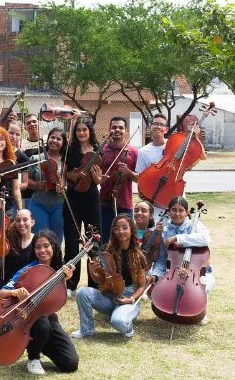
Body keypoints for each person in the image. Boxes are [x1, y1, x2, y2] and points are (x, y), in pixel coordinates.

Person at [0, 230, 79, 375]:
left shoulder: (59, 271)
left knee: (70, 363)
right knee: (42, 324)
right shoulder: (28, 270)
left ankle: (40, 343)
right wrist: (15, 292)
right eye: (38, 247)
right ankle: (33, 358)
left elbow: (57, 302)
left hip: (50, 318)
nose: (42, 250)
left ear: (54, 246)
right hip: (30, 320)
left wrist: (64, 281)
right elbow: (1, 293)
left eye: (46, 246)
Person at [71, 214, 147, 340]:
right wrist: (91, 268)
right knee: (82, 292)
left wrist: (131, 300)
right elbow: (98, 279)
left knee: (118, 322)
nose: (120, 231)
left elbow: (141, 285)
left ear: (131, 230)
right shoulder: (106, 250)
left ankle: (125, 321)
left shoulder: (138, 255)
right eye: (117, 228)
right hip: (108, 296)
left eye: (124, 227)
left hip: (127, 296)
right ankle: (87, 330)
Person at [150, 196, 214, 324]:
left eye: (181, 210)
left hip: (196, 269)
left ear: (186, 212)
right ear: (169, 211)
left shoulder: (195, 226)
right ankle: (171, 308)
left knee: (204, 284)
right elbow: (162, 259)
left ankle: (198, 311)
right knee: (161, 286)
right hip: (173, 269)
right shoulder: (165, 230)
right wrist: (156, 274)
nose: (177, 213)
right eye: (174, 210)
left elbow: (205, 239)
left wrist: (177, 238)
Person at [130, 114, 206, 222]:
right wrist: (130, 174)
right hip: (156, 194)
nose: (158, 127)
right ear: (150, 127)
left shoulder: (176, 142)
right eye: (155, 123)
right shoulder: (143, 151)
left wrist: (196, 137)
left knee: (180, 228)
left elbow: (202, 156)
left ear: (166, 129)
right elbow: (141, 177)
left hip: (176, 188)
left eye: (162, 125)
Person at [63, 118, 103, 295]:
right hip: (72, 197)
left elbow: (99, 179)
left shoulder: (97, 150)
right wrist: (63, 184)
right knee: (71, 240)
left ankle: (94, 284)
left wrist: (97, 179)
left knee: (93, 239)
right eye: (78, 130)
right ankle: (71, 283)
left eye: (84, 130)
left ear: (90, 131)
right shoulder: (70, 150)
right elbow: (64, 174)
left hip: (91, 198)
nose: (81, 133)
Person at [98, 117, 138, 240]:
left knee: (126, 239)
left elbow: (139, 178)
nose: (117, 130)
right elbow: (95, 175)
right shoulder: (102, 150)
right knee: (105, 238)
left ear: (126, 131)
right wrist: (99, 178)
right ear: (110, 129)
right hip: (105, 201)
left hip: (125, 202)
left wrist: (128, 172)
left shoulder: (133, 152)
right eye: (114, 127)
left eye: (121, 127)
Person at [27, 128, 67, 242]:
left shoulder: (66, 161)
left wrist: (63, 187)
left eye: (58, 139)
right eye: (52, 137)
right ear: (48, 139)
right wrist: (35, 184)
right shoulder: (36, 158)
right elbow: (25, 180)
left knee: (56, 241)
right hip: (38, 204)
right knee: (39, 239)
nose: (54, 140)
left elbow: (68, 181)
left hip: (59, 206)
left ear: (63, 142)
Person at [0, 206, 36, 294]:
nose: (21, 223)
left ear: (32, 222)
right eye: (18, 220)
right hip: (4, 283)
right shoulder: (9, 237)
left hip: (24, 287)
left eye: (25, 220)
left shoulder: (37, 241)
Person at [6, 120, 30, 194]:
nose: (14, 137)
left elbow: (25, 184)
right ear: (5, 131)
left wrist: (9, 189)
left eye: (17, 134)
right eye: (11, 133)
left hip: (10, 196)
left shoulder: (22, 157)